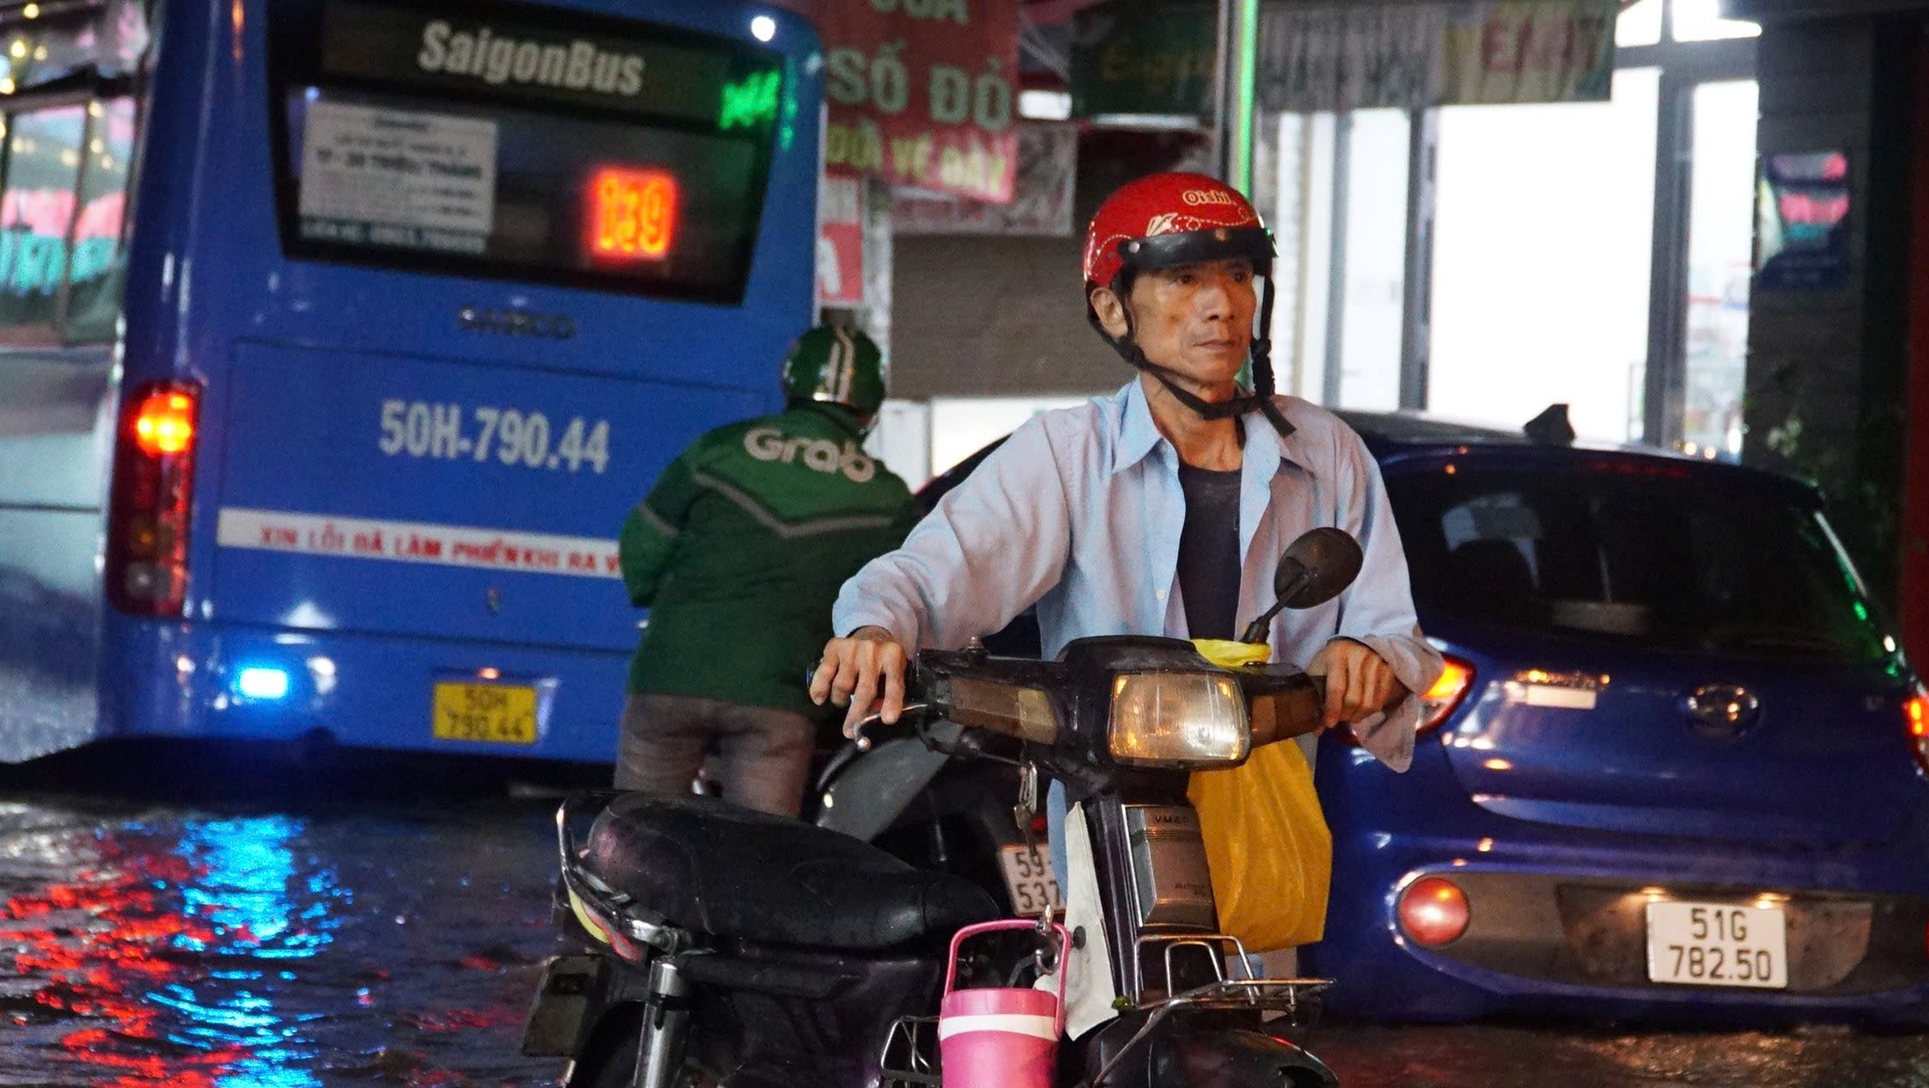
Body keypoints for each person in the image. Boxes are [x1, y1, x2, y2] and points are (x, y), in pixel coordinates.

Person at [807, 173, 1440, 769]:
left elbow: (1394, 633)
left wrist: (1369, 656)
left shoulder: (1327, 452)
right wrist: (875, 628)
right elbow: (934, 573)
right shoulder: (1067, 454)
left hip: (1275, 820)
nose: (1222, 304)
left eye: (1240, 275)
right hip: (1109, 824)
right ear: (1114, 310)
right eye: (1185, 278)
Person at [615, 325, 915, 817]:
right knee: (759, 857)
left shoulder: (719, 450)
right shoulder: (888, 498)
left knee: (636, 837)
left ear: (789, 383)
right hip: (779, 697)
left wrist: (668, 611)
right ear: (869, 408)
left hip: (673, 674)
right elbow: (904, 592)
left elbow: (640, 549)